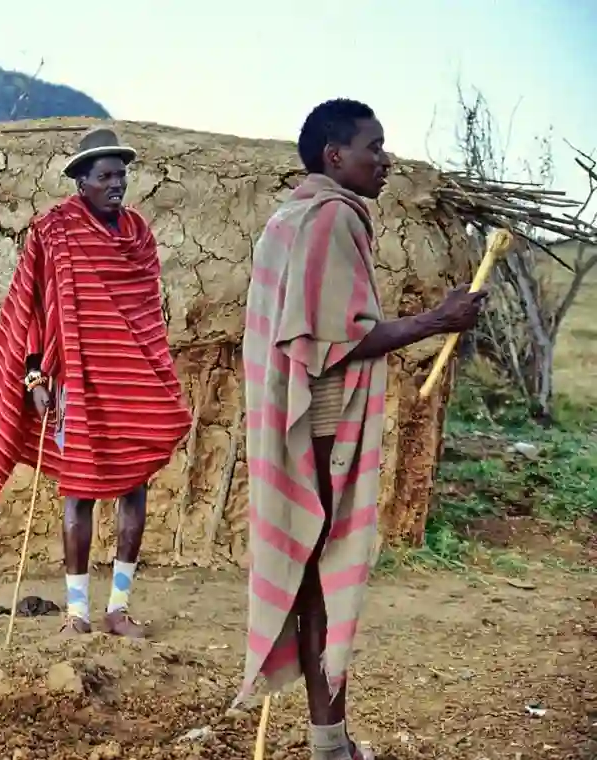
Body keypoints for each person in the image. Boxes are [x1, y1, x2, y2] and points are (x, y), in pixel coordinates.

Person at [238, 98, 487, 760]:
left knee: (314, 577)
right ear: (334, 155)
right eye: (374, 146)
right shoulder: (330, 222)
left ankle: (331, 739)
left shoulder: (289, 220)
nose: (385, 159)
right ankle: (328, 744)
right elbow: (336, 342)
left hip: (291, 422)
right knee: (323, 577)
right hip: (321, 426)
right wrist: (438, 319)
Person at [0, 127, 193, 639]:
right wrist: (34, 375)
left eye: (121, 175)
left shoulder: (138, 234)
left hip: (130, 377)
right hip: (76, 381)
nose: (116, 185)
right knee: (78, 490)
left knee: (134, 485)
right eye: (105, 176)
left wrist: (153, 371)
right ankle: (77, 613)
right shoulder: (53, 231)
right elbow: (33, 309)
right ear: (81, 181)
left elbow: (147, 313)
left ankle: (118, 608)